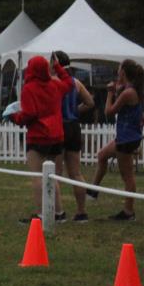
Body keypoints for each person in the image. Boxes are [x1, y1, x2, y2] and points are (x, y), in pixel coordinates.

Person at [10, 55, 72, 224]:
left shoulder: (29, 88)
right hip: (56, 135)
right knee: (52, 175)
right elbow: (69, 84)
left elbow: (29, 114)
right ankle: (59, 212)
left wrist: (14, 117)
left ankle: (41, 214)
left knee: (37, 176)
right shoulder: (55, 84)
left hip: (38, 136)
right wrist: (58, 67)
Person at [90, 60, 144, 221]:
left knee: (127, 176)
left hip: (127, 139)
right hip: (126, 136)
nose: (117, 72)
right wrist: (116, 90)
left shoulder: (129, 93)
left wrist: (109, 93)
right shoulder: (129, 89)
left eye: (119, 70)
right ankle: (93, 190)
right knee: (102, 155)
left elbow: (109, 112)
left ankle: (128, 212)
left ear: (123, 73)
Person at [54, 51, 96, 222]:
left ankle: (58, 212)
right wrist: (75, 111)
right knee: (76, 173)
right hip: (74, 127)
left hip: (59, 126)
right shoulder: (76, 82)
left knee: (55, 173)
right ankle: (81, 211)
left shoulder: (55, 82)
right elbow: (90, 102)